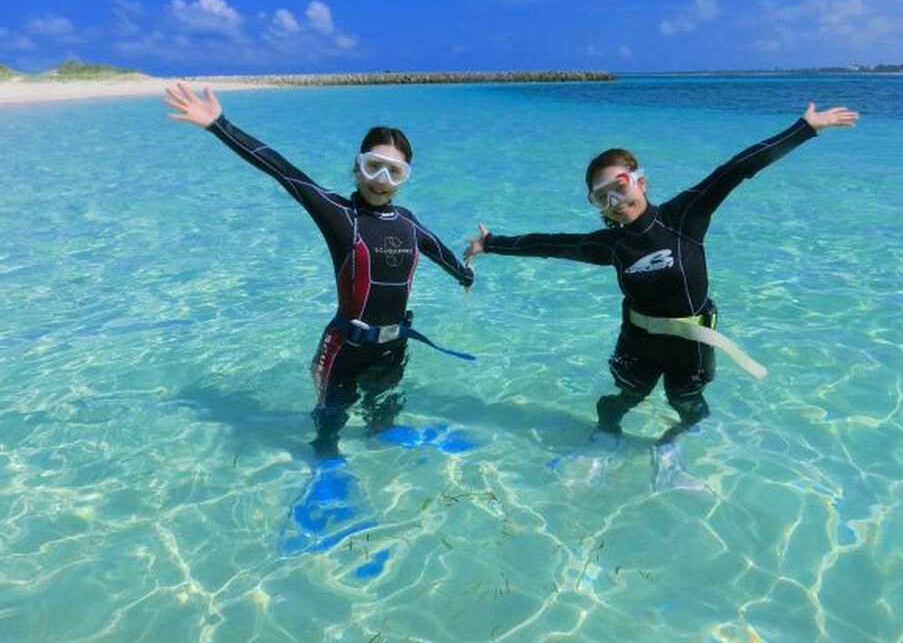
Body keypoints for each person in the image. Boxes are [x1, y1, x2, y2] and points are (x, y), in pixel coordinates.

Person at [465, 103, 859, 454]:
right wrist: (491, 243)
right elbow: (551, 244)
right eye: (601, 197)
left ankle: (670, 444)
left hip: (693, 343)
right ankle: (607, 433)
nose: (615, 202)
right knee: (624, 397)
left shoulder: (684, 216)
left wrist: (805, 128)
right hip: (637, 343)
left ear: (640, 180)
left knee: (689, 405)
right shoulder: (611, 245)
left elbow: (736, 169)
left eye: (619, 186)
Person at [164, 82, 473, 458]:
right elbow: (282, 170)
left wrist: (465, 276)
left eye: (394, 171)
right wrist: (219, 124)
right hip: (345, 350)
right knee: (330, 424)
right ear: (357, 167)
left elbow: (439, 251)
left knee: (384, 411)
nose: (381, 180)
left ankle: (384, 443)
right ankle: (325, 463)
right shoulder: (340, 215)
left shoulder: (408, 222)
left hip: (394, 346)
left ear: (405, 177)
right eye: (373, 166)